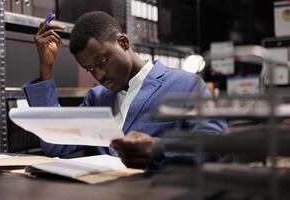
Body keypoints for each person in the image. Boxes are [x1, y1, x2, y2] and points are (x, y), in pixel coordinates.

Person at [23, 11, 227, 169]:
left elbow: (214, 143)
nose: (99, 75)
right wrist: (46, 69)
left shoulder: (186, 85)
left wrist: (158, 148)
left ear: (123, 42)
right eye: (89, 69)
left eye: (102, 60)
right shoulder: (97, 98)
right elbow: (55, 145)